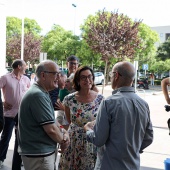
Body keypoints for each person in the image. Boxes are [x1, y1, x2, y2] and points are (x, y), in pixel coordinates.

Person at [84, 61, 153, 170]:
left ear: (116, 75)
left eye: (111, 74)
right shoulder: (143, 104)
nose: (110, 77)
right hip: (133, 165)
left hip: (109, 165)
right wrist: (132, 149)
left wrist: (88, 130)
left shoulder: (109, 103)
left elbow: (98, 140)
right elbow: (148, 137)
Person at [18, 60, 70, 170]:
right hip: (39, 155)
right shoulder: (38, 95)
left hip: (41, 154)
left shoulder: (42, 92)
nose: (58, 77)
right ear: (43, 75)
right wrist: (63, 141)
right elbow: (51, 129)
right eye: (56, 74)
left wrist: (63, 131)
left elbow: (52, 121)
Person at [58, 66, 104, 170]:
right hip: (73, 140)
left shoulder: (101, 99)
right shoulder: (69, 99)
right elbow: (68, 121)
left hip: (92, 141)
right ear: (78, 80)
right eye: (83, 77)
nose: (87, 80)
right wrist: (63, 139)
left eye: (89, 77)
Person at [0, 59, 30, 168]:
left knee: (21, 140)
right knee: (6, 138)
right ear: (19, 67)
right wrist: (2, 103)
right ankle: (1, 158)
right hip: (9, 114)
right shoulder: (6, 78)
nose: (26, 67)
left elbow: (30, 93)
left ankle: (20, 159)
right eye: (25, 66)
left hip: (22, 115)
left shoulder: (26, 79)